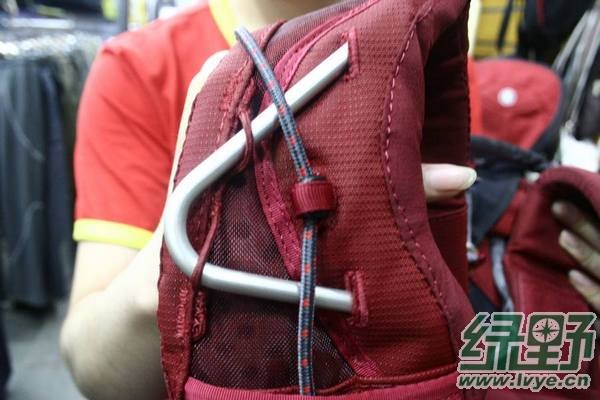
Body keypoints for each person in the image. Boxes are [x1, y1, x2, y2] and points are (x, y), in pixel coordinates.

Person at [59, 1, 599, 400]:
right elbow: (94, 368)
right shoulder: (140, 69)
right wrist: (196, 253)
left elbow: (470, 335)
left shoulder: (430, 49)